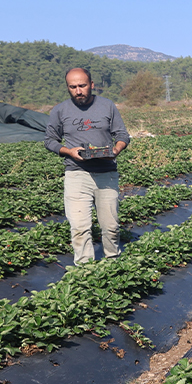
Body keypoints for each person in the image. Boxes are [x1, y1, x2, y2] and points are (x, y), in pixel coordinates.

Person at [44, 67, 131, 266]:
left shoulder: (107, 106)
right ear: (68, 88)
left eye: (82, 86)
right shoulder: (60, 110)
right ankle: (85, 270)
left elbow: (122, 135)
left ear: (91, 85)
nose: (78, 91)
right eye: (73, 87)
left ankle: (113, 263)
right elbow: (50, 141)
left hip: (106, 172)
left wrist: (116, 150)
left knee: (110, 226)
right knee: (79, 227)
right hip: (76, 173)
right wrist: (68, 151)